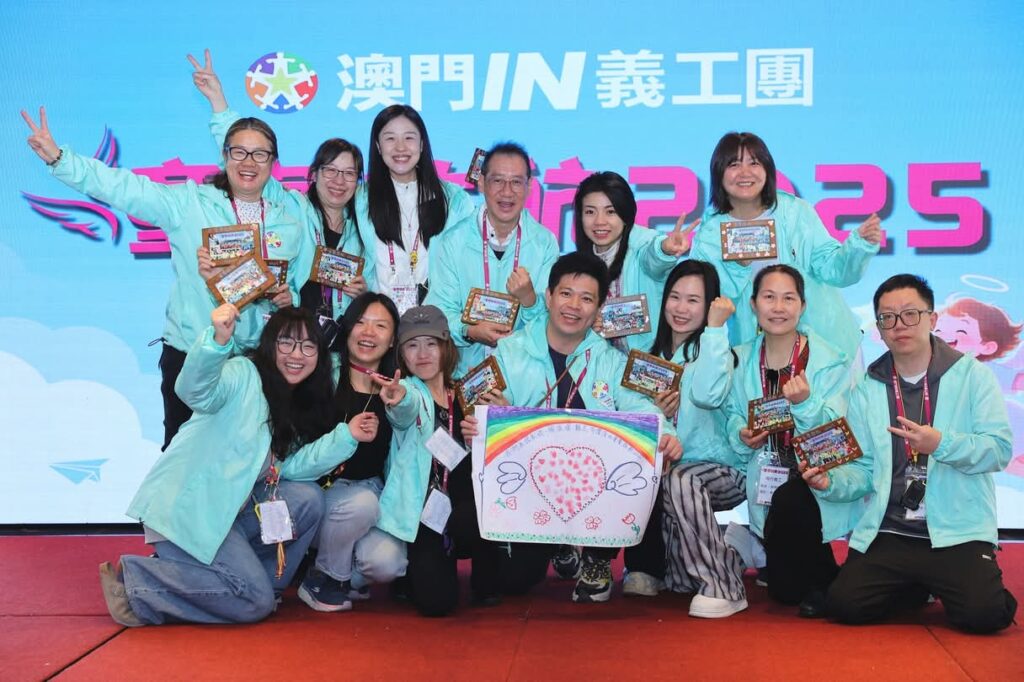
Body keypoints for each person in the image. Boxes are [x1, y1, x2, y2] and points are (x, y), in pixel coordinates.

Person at [21, 106, 313, 450]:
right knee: (183, 455)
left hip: (259, 361)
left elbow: (293, 288)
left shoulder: (289, 221)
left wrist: (287, 299)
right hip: (193, 353)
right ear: (225, 156)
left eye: (260, 154)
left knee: (248, 458)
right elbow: (125, 188)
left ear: (273, 162)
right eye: (239, 152)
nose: (249, 162)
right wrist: (60, 159)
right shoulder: (188, 204)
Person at [96, 304, 377, 626]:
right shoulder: (243, 373)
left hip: (229, 515)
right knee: (252, 602)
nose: (296, 355)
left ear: (319, 356)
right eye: (286, 342)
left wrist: (347, 436)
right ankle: (139, 582)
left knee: (308, 498)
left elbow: (290, 470)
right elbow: (194, 391)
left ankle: (259, 588)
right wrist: (216, 342)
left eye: (308, 346)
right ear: (269, 345)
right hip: (189, 512)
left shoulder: (296, 404)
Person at [461, 252, 683, 603]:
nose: (574, 306)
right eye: (566, 294)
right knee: (517, 579)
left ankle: (597, 555)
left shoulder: (610, 361)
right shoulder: (509, 352)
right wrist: (489, 419)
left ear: (598, 309)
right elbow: (482, 414)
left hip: (590, 482)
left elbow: (640, 407)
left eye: (586, 298)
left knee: (638, 452)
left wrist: (667, 435)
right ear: (548, 297)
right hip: (530, 486)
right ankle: (560, 544)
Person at [804, 274, 1017, 633]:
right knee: (845, 606)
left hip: (955, 532)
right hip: (892, 530)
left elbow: (999, 449)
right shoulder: (868, 386)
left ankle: (970, 582)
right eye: (887, 317)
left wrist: (941, 444)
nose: (899, 325)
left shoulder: (972, 376)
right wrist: (832, 482)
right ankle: (917, 586)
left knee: (984, 616)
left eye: (909, 314)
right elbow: (865, 467)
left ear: (932, 319)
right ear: (879, 329)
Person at [189, 49, 368, 319]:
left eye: (349, 173)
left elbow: (379, 280)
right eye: (330, 170)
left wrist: (364, 290)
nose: (338, 181)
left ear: (358, 181)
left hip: (342, 332)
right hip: (297, 331)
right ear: (313, 174)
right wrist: (218, 102)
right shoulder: (291, 206)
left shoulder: (362, 228)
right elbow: (246, 156)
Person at [724, 264, 855, 617]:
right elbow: (732, 413)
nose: (778, 307)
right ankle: (765, 549)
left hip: (816, 475)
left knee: (792, 501)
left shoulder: (829, 360)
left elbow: (837, 432)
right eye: (769, 297)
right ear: (754, 304)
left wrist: (806, 404)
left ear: (803, 305)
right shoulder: (740, 358)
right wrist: (741, 433)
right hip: (766, 472)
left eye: (788, 298)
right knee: (785, 593)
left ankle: (827, 576)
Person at [689, 132, 881, 363]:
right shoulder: (710, 234)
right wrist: (736, 267)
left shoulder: (794, 212)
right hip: (753, 357)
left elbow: (833, 269)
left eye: (754, 163)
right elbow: (705, 299)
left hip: (825, 349)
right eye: (734, 164)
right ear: (719, 172)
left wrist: (858, 246)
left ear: (767, 170)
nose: (745, 173)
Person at [373, 305, 505, 615]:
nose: (422, 354)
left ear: (446, 347)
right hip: (424, 510)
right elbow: (405, 410)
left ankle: (484, 580)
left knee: (482, 516)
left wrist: (488, 430)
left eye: (431, 343)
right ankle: (412, 572)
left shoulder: (468, 392)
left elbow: (495, 454)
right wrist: (397, 401)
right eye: (412, 345)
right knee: (437, 603)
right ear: (401, 354)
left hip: (464, 505)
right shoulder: (408, 390)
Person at [637, 260, 749, 618]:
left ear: (710, 305)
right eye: (675, 297)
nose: (681, 308)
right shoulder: (650, 356)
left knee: (681, 481)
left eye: (693, 300)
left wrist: (715, 329)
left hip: (724, 470)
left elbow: (706, 395)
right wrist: (657, 411)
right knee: (680, 583)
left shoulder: (718, 351)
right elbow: (632, 407)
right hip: (672, 475)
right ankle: (733, 551)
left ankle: (725, 586)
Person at [296, 293, 407, 612]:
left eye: (380, 326)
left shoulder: (397, 388)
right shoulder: (320, 376)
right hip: (317, 495)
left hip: (372, 493)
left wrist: (402, 403)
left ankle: (344, 575)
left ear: (392, 340)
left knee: (388, 563)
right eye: (360, 322)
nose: (369, 332)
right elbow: (295, 463)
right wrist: (346, 435)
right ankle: (324, 578)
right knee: (362, 504)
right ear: (347, 329)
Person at [425, 142, 559, 377]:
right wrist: (469, 331)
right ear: (481, 182)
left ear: (529, 186)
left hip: (523, 378)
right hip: (465, 375)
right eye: (497, 180)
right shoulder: (452, 241)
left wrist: (529, 300)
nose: (507, 192)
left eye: (516, 182)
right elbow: (439, 310)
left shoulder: (544, 243)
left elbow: (552, 321)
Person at [355, 105, 475, 315]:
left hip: (436, 322)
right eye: (390, 138)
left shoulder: (453, 200)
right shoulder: (360, 199)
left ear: (422, 144)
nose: (400, 147)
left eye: (409, 138)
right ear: (378, 146)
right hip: (379, 321)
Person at [572, 171, 696, 353]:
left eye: (610, 212)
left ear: (626, 215)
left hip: (648, 361)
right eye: (590, 212)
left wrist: (665, 250)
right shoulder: (578, 263)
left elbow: (654, 259)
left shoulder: (642, 245)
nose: (599, 221)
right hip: (602, 363)